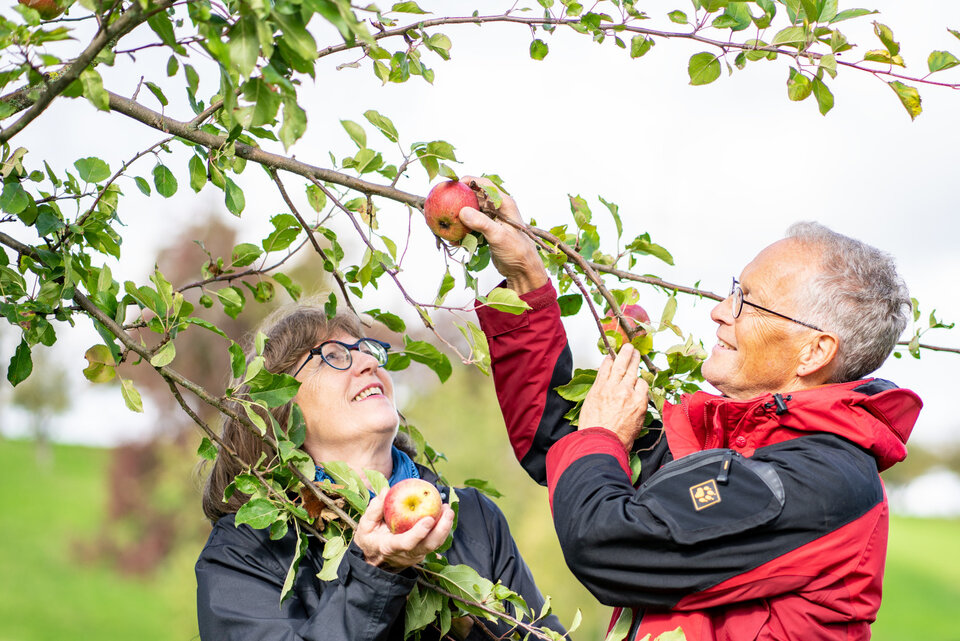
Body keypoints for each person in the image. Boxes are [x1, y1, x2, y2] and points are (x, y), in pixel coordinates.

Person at [458, 180, 922, 641]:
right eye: (733, 290)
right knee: (470, 528)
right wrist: (525, 279)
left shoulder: (822, 482)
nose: (720, 311)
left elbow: (608, 545)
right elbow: (563, 443)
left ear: (813, 352)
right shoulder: (715, 438)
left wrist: (603, 435)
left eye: (749, 302)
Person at [195, 305, 563, 640]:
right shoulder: (243, 551)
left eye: (367, 352)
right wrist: (376, 573)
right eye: (333, 357)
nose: (369, 364)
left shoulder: (473, 518)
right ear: (279, 407)